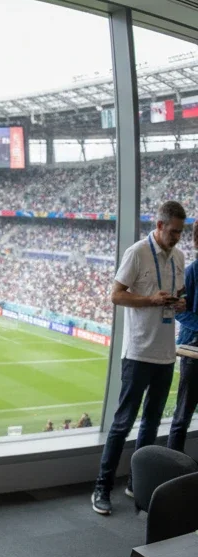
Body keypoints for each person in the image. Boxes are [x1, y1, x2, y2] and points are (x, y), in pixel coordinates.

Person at [94, 201, 187, 516]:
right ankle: (102, 488)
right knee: (122, 424)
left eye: (181, 232)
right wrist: (150, 299)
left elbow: (179, 294)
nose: (177, 237)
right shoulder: (136, 253)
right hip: (137, 353)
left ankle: (137, 482)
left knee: (150, 426)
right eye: (173, 231)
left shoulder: (179, 257)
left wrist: (180, 304)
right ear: (159, 226)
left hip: (165, 355)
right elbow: (116, 294)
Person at [171, 221, 198, 452]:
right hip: (193, 352)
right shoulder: (190, 273)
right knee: (182, 418)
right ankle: (173, 470)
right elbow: (178, 312)